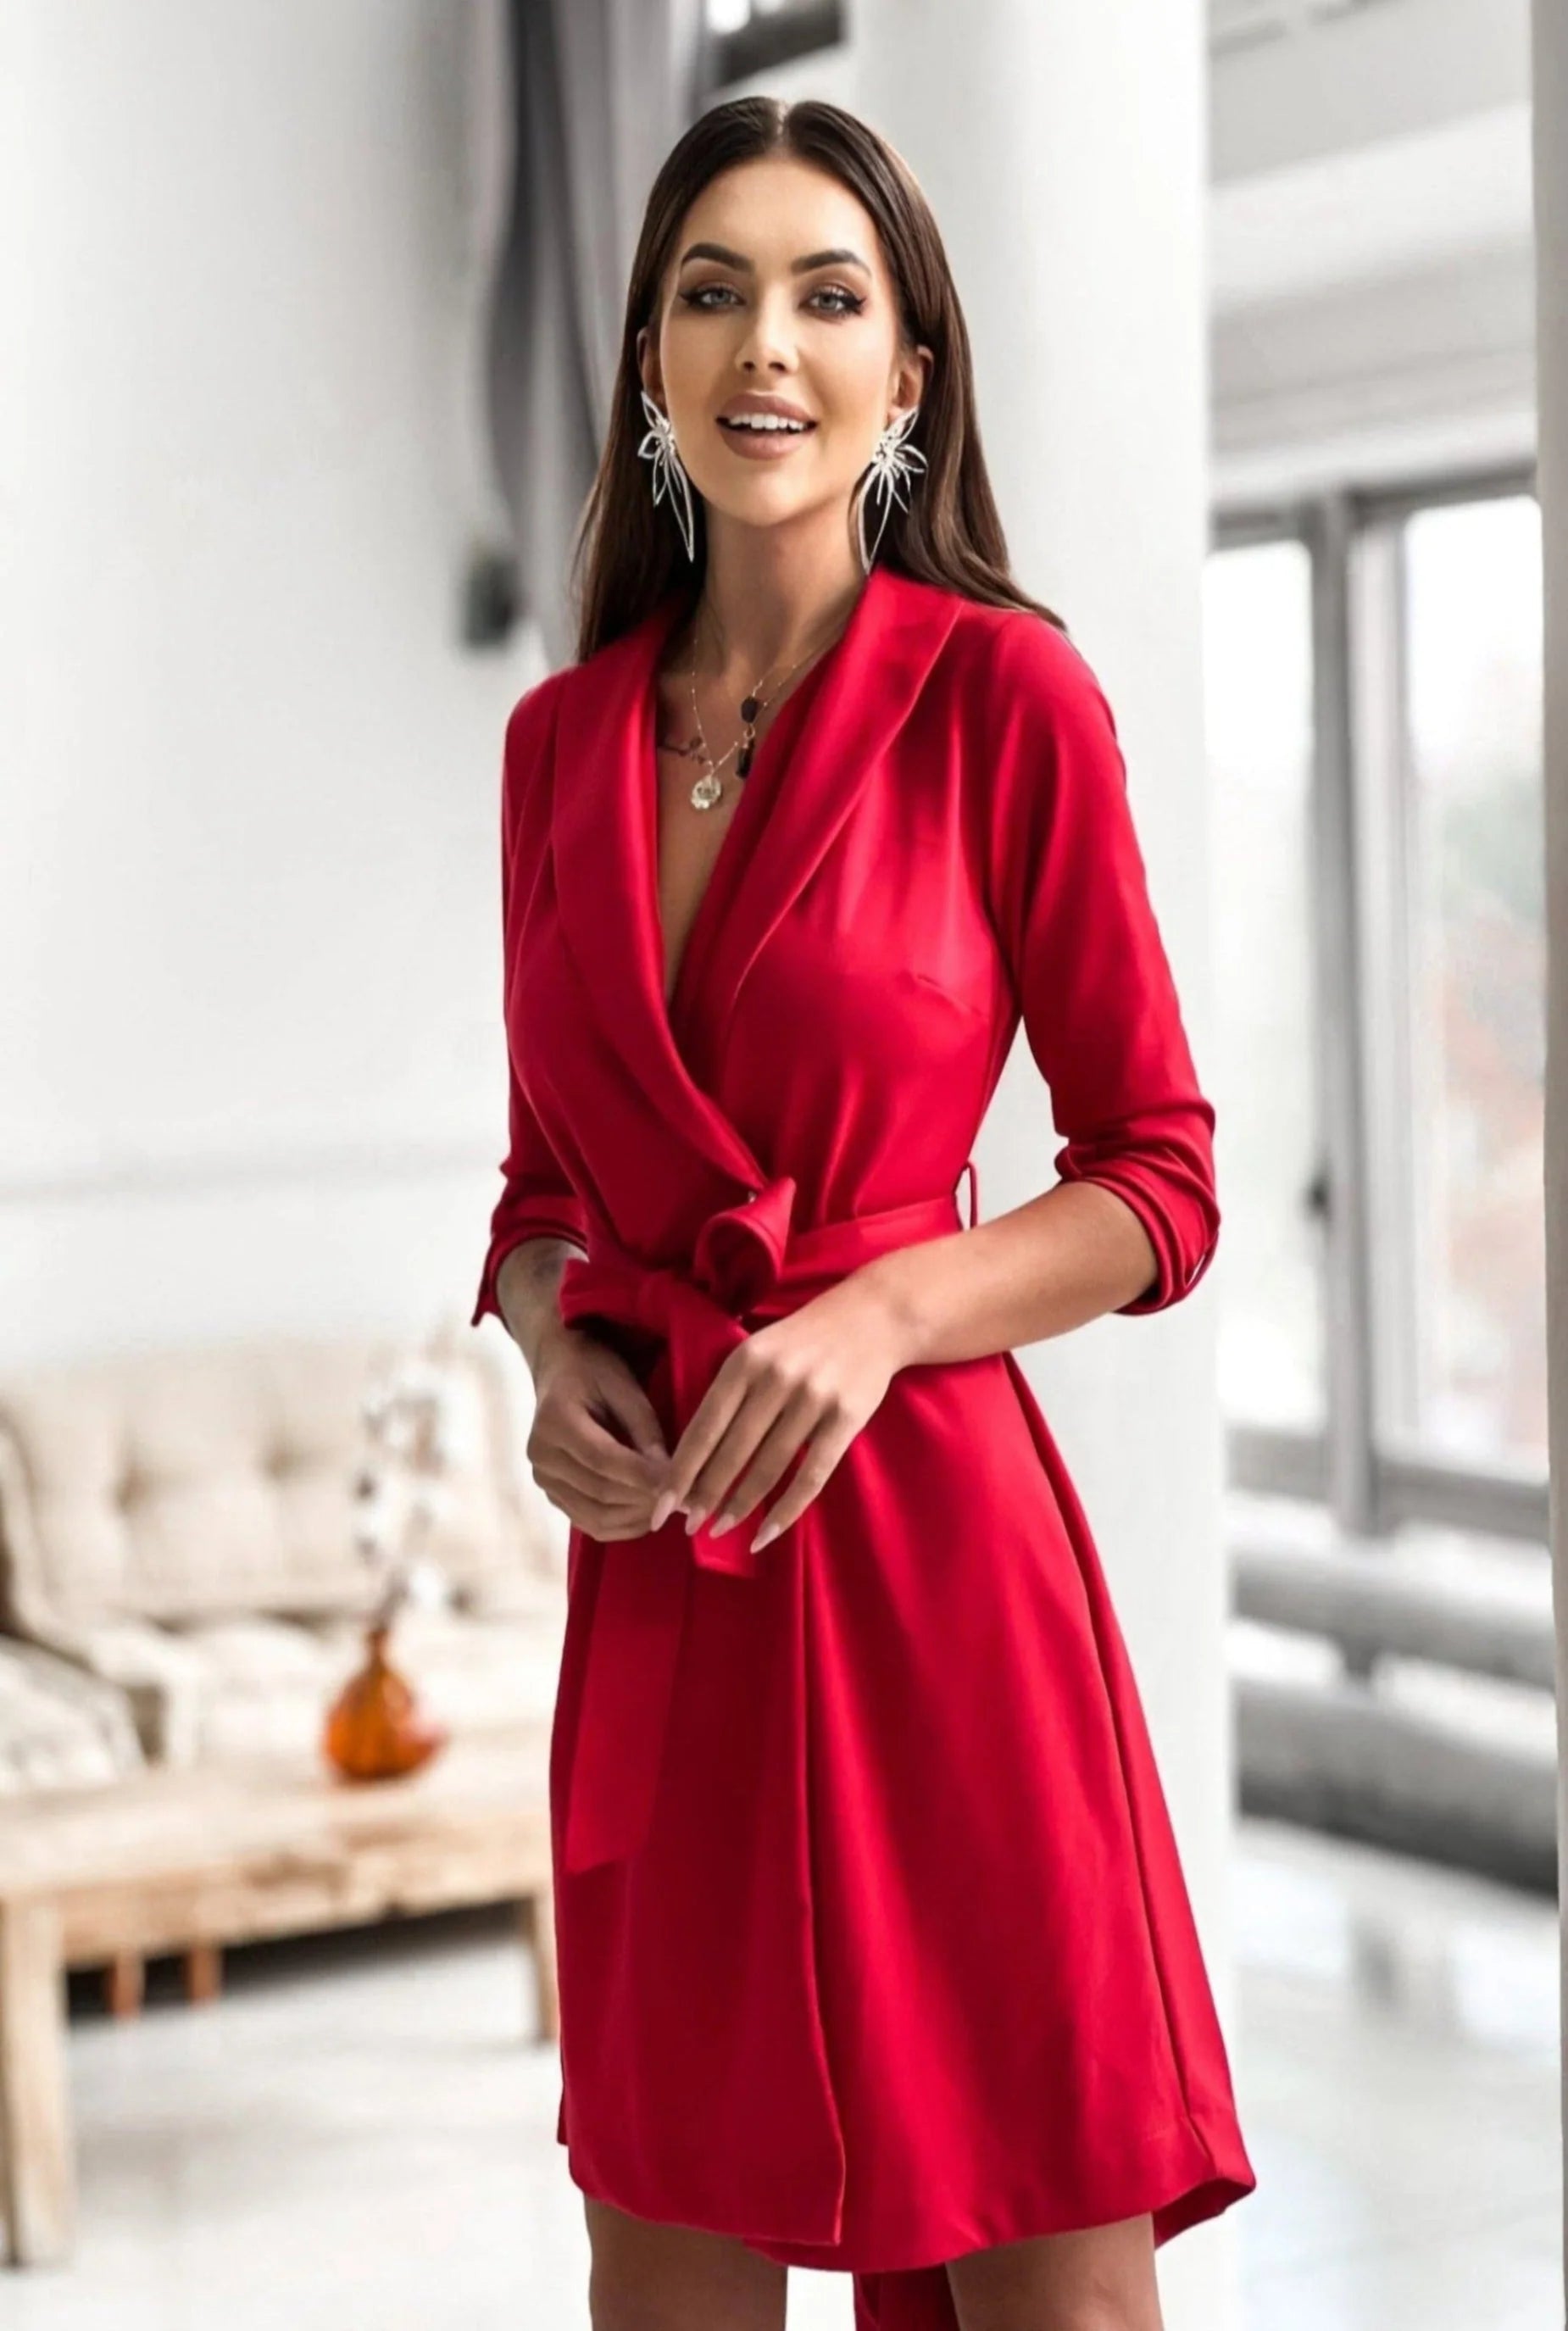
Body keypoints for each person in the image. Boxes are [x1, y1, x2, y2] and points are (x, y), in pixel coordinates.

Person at [470, 92, 1256, 2331]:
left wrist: (885, 1310)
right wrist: (554, 1350)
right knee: (667, 2281)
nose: (769, 343)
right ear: (645, 361)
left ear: (910, 373)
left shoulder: (1002, 694)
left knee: (1048, 2299)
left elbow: (1157, 1176)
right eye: (712, 290)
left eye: (830, 294)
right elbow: (541, 1182)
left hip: (932, 1585)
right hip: (669, 1601)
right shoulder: (554, 748)